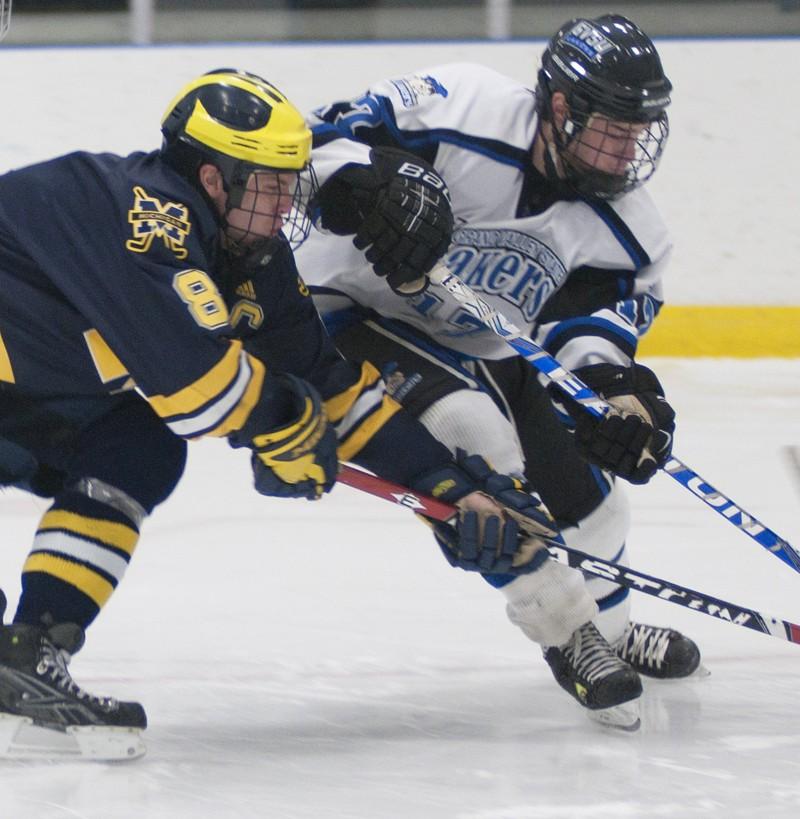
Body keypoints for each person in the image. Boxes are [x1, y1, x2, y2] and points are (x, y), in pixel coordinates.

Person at [0, 68, 596, 759]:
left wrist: (446, 484)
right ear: (213, 176)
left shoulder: (250, 257)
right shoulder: (147, 216)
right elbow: (196, 388)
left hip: (20, 390)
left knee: (137, 448)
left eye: (291, 180)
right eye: (269, 181)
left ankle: (30, 652)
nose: (287, 200)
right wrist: (286, 424)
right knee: (151, 434)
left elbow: (331, 388)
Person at [294, 14, 702, 730]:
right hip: (347, 311)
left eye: (640, 131)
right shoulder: (462, 105)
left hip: (482, 341)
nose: (628, 148)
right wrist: (370, 181)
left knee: (596, 503)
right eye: (613, 125)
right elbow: (314, 139)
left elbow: (583, 331)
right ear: (560, 107)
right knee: (476, 435)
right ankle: (568, 632)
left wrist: (612, 395)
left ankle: (609, 632)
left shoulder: (631, 229)